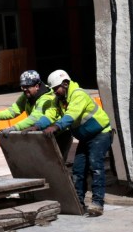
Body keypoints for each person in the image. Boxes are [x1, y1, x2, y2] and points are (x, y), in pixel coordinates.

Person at [35, 70, 113, 217]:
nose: (54, 92)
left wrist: (56, 127)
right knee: (78, 169)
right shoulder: (59, 99)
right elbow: (50, 114)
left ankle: (97, 203)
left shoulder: (78, 95)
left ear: (65, 84)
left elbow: (71, 116)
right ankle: (78, 203)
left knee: (95, 166)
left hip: (100, 134)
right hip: (85, 137)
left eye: (55, 88)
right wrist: (37, 126)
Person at [0, 69, 61, 135]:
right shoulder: (27, 95)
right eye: (23, 87)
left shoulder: (46, 99)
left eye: (27, 86)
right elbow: (14, 110)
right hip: (41, 132)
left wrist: (15, 128)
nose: (24, 89)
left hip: (57, 134)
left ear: (37, 86)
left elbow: (34, 118)